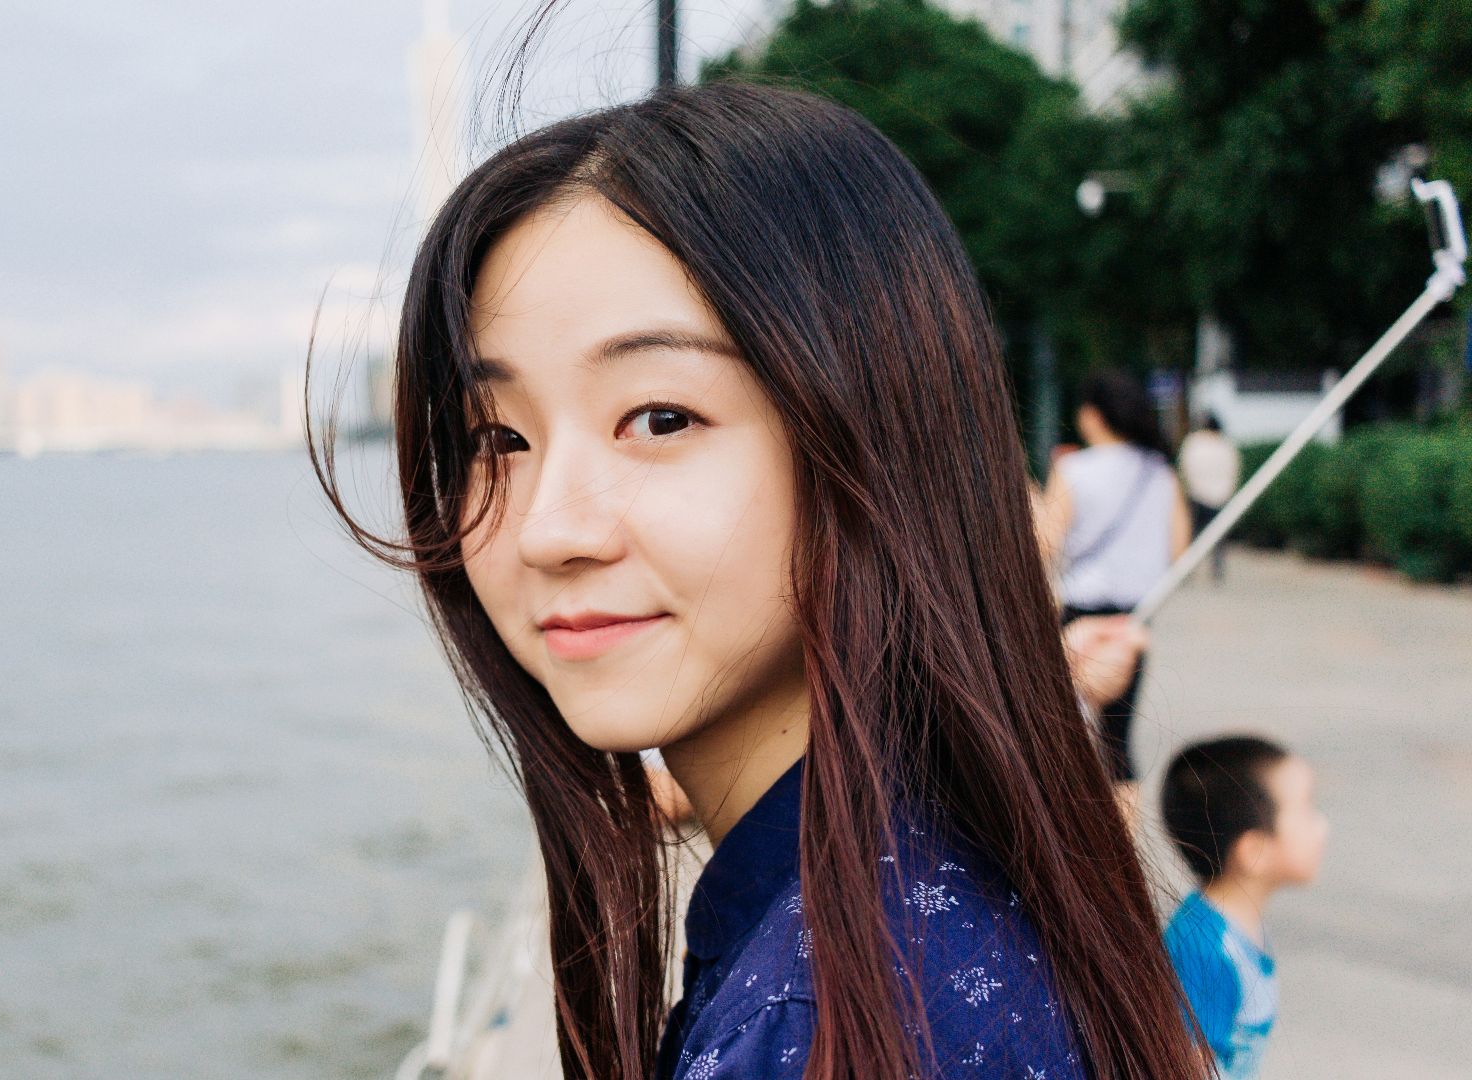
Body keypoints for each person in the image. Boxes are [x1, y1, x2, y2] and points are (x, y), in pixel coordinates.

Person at [312, 84, 1202, 1079]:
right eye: (496, 438)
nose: (547, 527)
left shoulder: (822, 1023)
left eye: (659, 417)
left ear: (872, 437)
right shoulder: (920, 900)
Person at [1037, 372, 1191, 796]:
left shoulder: (1073, 468)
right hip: (1134, 619)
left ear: (1093, 416)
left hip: (1079, 617)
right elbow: (1179, 551)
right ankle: (1124, 852)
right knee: (1117, 742)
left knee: (1066, 737)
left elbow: (1046, 543)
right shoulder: (1159, 471)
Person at [1160, 737, 1328, 1079]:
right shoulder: (1204, 952)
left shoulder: (1237, 925)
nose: (1323, 827)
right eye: (1307, 809)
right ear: (1254, 851)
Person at [1177, 414, 1239, 584]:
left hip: (1197, 494)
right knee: (1218, 538)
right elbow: (1233, 469)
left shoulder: (1194, 442)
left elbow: (1185, 466)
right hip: (1221, 496)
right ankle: (1217, 571)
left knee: (1193, 536)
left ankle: (1186, 571)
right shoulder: (1226, 444)